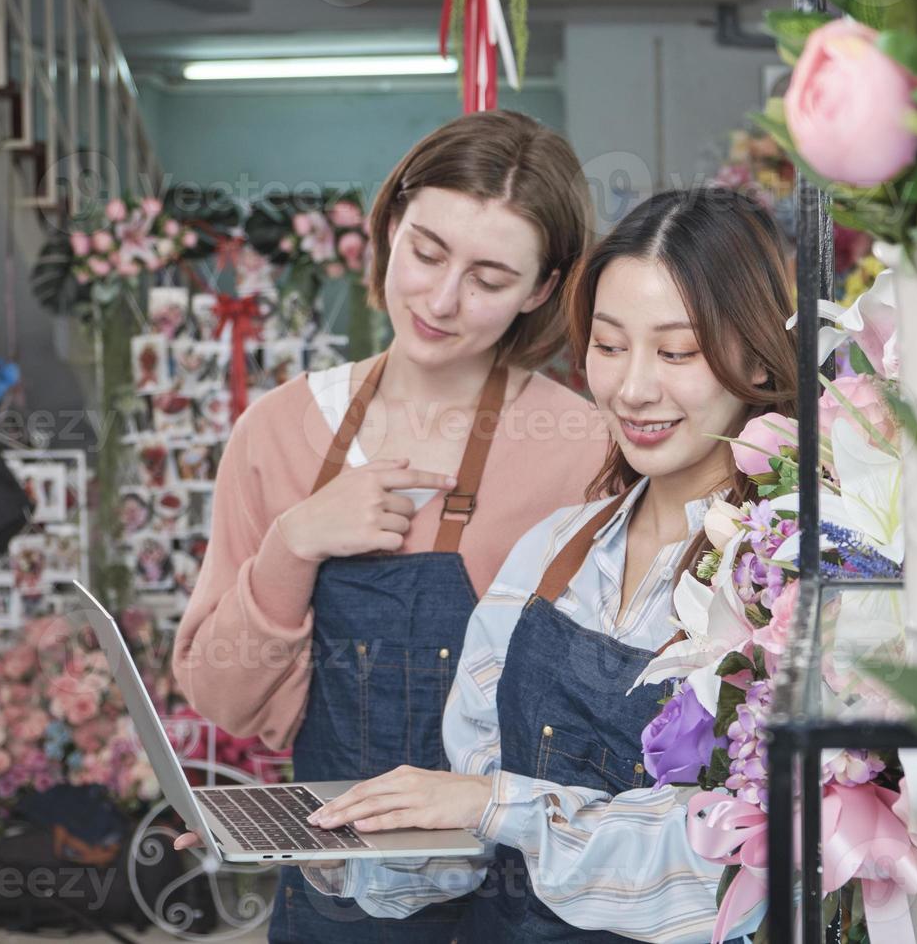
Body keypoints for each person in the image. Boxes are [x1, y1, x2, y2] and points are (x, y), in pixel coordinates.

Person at [290, 188, 799, 941]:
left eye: (677, 351)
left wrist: (496, 804)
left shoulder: (779, 578)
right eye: (609, 344)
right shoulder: (553, 550)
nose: (632, 388)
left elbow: (734, 863)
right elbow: (473, 834)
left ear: (756, 358)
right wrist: (338, 843)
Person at [170, 109, 609, 944]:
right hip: (340, 895)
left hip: (527, 898)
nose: (440, 301)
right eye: (427, 251)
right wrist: (292, 543)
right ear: (389, 227)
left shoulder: (586, 447)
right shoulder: (278, 432)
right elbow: (220, 698)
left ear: (543, 289)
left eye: (488, 278)